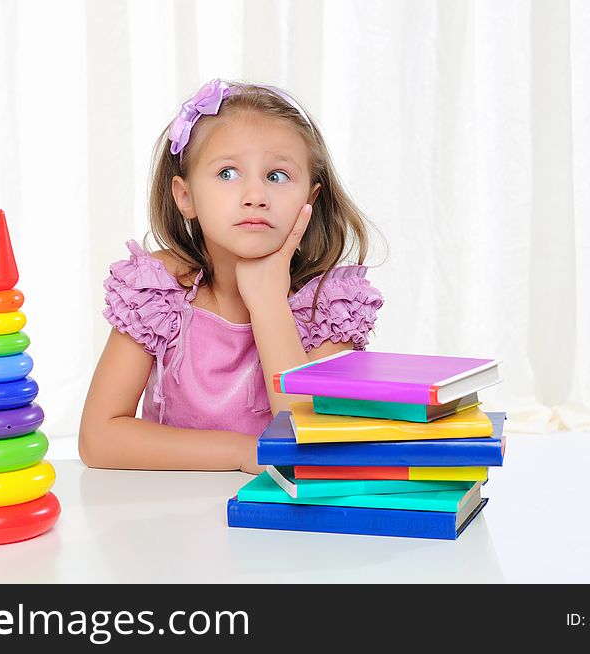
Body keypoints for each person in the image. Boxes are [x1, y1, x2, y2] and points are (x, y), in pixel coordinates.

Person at [79, 79, 384, 475]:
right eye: (227, 173)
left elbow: (309, 442)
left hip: (283, 521)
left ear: (310, 199)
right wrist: (243, 452)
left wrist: (268, 301)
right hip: (163, 515)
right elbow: (99, 439)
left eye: (276, 176)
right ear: (185, 197)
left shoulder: (330, 306)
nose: (255, 194)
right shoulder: (156, 290)